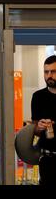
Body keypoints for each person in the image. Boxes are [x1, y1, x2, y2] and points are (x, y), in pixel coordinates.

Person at [31, 55, 56, 185]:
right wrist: (38, 127)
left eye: (53, 71)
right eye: (46, 72)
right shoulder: (38, 97)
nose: (49, 75)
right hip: (48, 159)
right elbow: (34, 129)